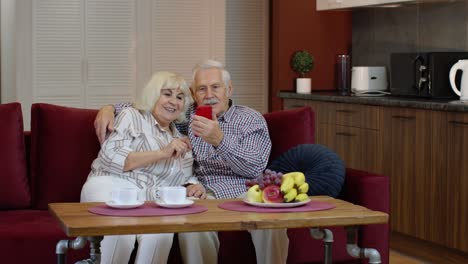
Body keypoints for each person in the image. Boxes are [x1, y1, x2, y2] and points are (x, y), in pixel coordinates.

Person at [95, 60, 289, 264]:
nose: (209, 95)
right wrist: (109, 108)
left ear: (229, 89)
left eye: (216, 87)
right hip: (201, 191)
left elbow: (255, 167)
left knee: (271, 220)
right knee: (191, 225)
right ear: (193, 93)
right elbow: (151, 105)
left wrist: (219, 140)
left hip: (244, 189)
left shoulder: (249, 119)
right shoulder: (187, 114)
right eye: (201, 89)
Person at [81, 71, 207, 264]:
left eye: (180, 97)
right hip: (110, 185)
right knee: (122, 234)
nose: (174, 101)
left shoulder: (179, 140)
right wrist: (162, 153)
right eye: (167, 94)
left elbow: (184, 178)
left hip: (148, 200)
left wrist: (192, 185)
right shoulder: (131, 116)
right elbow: (110, 157)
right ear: (153, 95)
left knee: (162, 234)